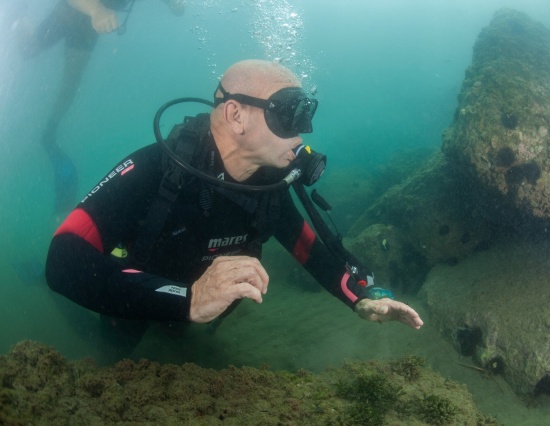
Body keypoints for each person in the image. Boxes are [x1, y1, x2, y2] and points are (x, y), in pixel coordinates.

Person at [45, 60, 423, 358]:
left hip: (194, 315)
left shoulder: (270, 186)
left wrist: (361, 300)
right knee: (111, 358)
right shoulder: (155, 171)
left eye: (305, 114)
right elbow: (63, 260)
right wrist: (189, 299)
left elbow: (311, 251)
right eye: (288, 113)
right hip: (134, 301)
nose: (301, 132)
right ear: (235, 115)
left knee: (183, 351)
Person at [19, 0, 185, 213]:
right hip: (74, 10)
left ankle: (49, 131)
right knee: (28, 49)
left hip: (89, 25)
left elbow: (177, 8)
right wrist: (96, 10)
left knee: (71, 83)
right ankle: (19, 18)